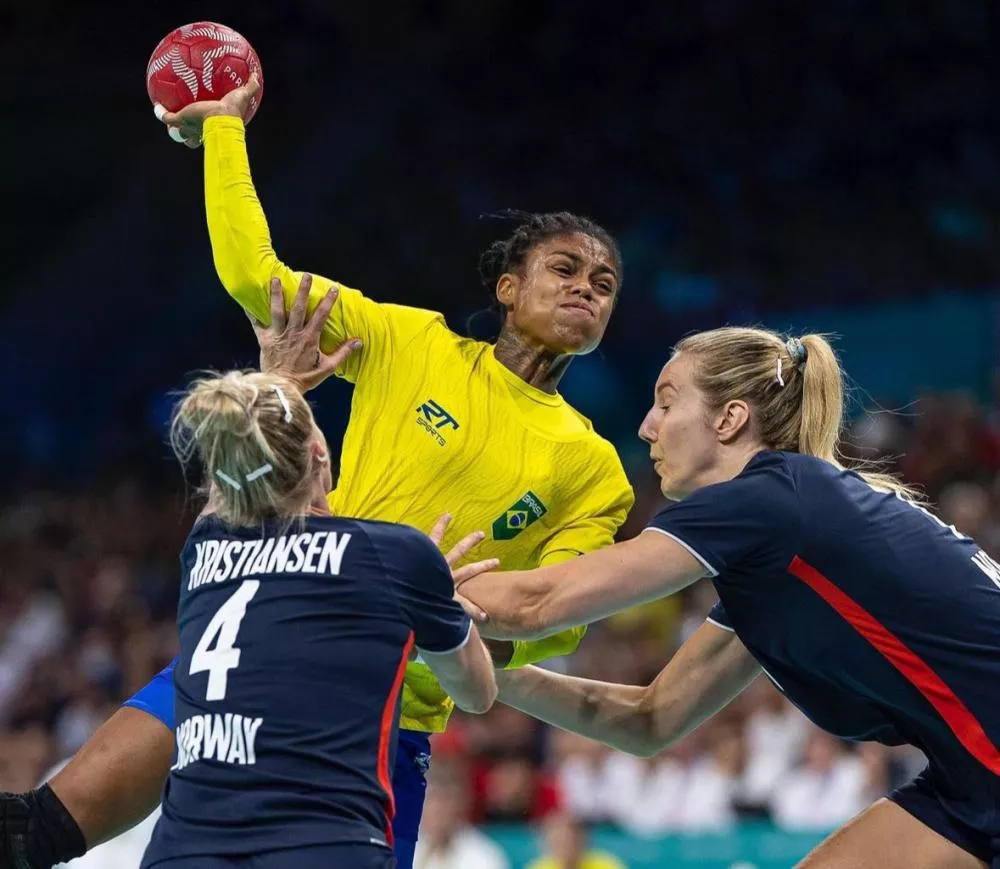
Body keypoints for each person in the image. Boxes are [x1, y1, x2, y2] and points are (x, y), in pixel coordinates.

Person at [0, 77, 633, 868]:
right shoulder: (412, 342)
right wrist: (223, 130)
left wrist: (452, 608)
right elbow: (253, 278)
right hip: (268, 640)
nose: (585, 289)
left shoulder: (596, 467)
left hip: (384, 710)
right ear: (508, 289)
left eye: (603, 285)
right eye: (565, 270)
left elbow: (561, 614)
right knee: (33, 833)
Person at [455, 326, 1000, 869]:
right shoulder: (781, 556)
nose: (647, 427)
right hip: (969, 783)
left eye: (666, 404)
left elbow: (535, 605)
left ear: (729, 418)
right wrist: (491, 672)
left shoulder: (764, 500)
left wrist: (396, 567)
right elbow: (651, 720)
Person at [148, 366, 496, 868]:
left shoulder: (202, 548)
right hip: (323, 846)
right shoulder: (394, 554)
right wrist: (442, 603)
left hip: (181, 852)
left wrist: (275, 379)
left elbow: (230, 488)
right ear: (321, 456)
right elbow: (476, 694)